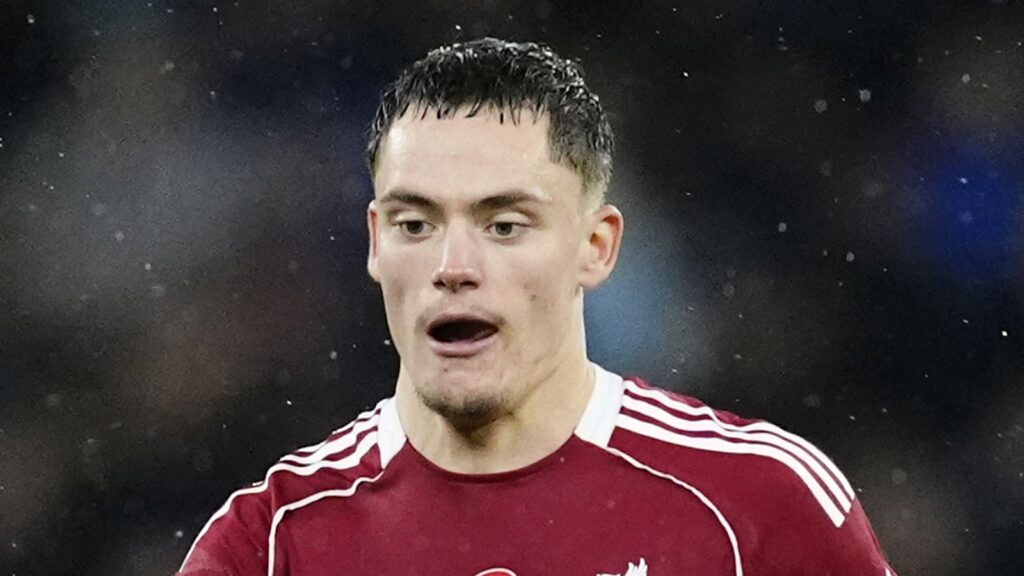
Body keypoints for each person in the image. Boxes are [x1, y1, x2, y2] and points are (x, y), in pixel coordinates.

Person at [179, 37, 897, 576]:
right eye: (415, 224)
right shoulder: (269, 544)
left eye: (504, 225)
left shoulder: (759, 504)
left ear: (595, 246)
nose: (453, 268)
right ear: (374, 242)